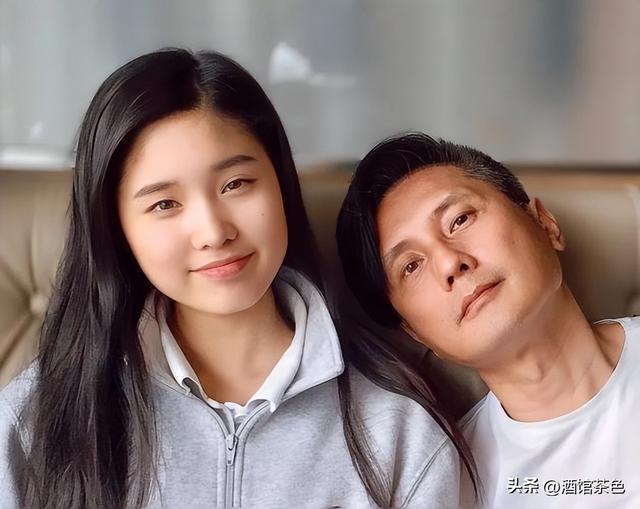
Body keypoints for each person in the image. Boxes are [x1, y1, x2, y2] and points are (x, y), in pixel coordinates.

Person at [0, 51, 475, 508]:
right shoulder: (36, 418)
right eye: (164, 204)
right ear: (116, 227)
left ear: (281, 183)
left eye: (236, 184)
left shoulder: (399, 430)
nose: (213, 232)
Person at [336, 132, 639, 508]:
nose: (450, 263)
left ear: (544, 224)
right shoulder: (448, 489)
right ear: (416, 333)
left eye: (460, 220)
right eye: (411, 266)